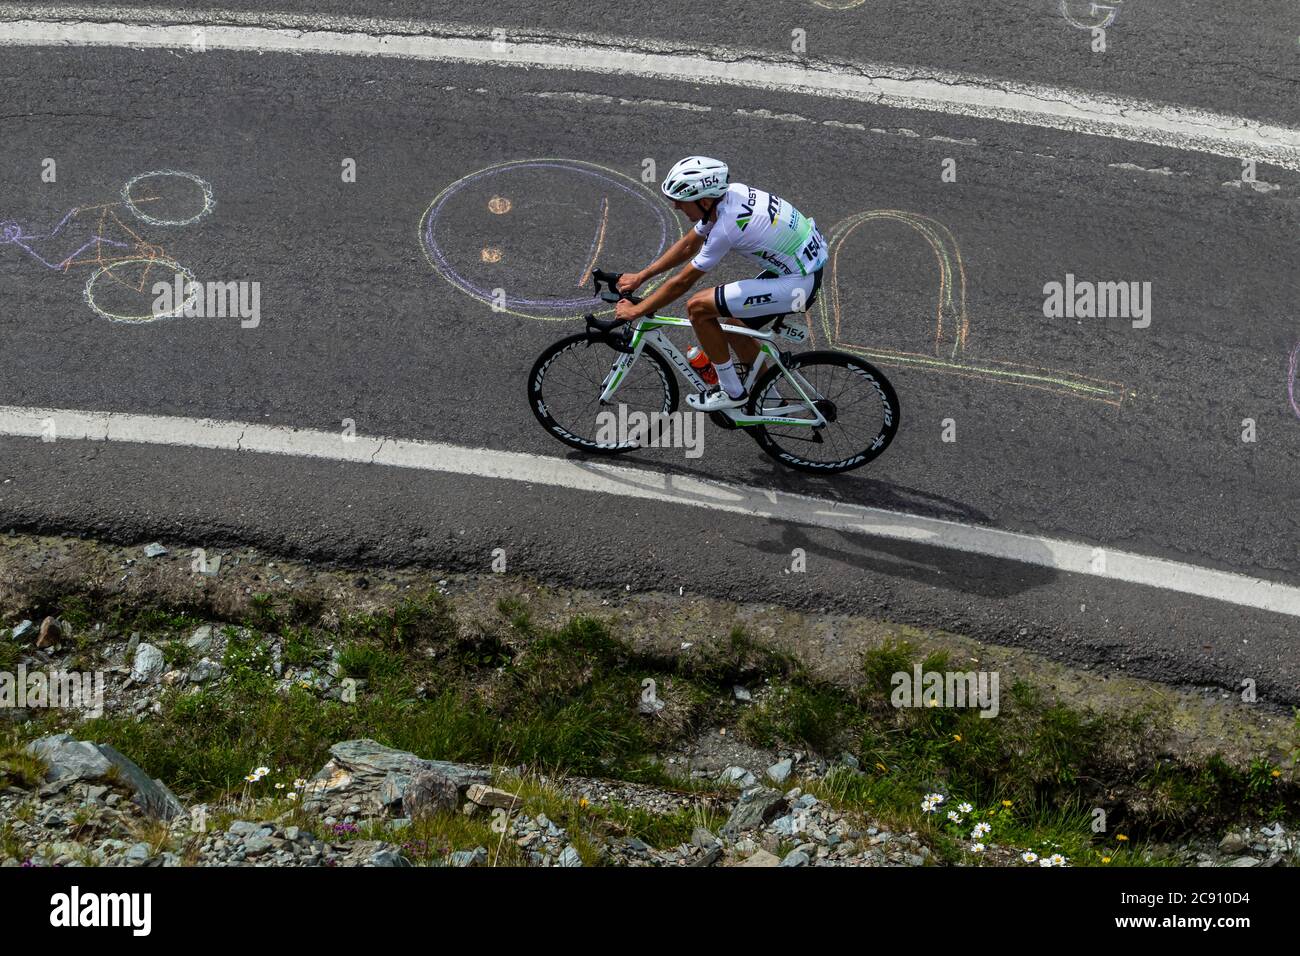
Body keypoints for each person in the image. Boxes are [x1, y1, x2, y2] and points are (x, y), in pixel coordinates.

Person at [614, 156, 827, 410]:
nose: (676, 207)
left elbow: (683, 283)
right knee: (734, 328)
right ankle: (767, 398)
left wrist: (637, 311)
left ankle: (732, 393)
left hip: (797, 284)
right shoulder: (731, 195)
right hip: (801, 270)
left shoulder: (727, 226)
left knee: (698, 308)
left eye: (680, 202)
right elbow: (688, 246)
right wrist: (642, 276)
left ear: (704, 201)